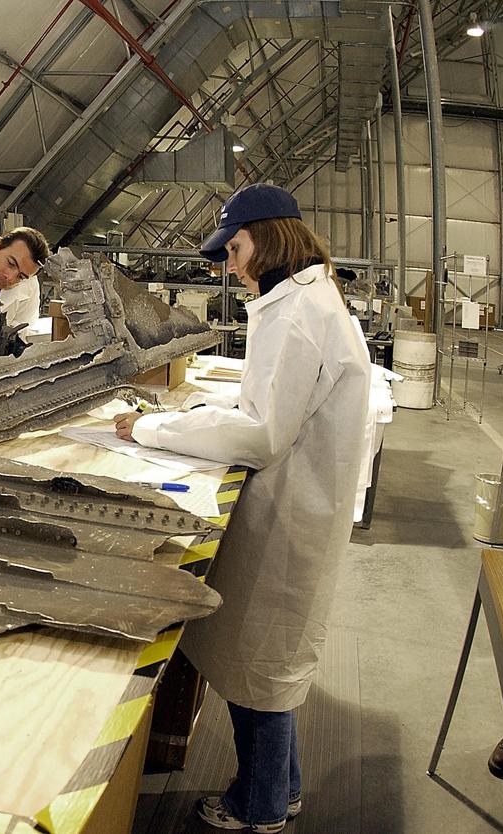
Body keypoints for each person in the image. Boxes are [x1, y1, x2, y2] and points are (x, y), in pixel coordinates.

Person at [111, 184, 369, 833]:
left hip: (290, 509)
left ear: (271, 236)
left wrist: (152, 431)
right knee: (270, 664)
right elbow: (269, 410)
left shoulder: (296, 312)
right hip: (300, 502)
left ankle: (256, 809)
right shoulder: (309, 298)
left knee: (262, 670)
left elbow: (262, 435)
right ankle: (283, 788)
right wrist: (196, 417)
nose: (229, 264)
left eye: (235, 248)